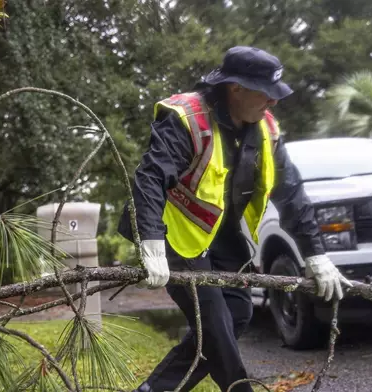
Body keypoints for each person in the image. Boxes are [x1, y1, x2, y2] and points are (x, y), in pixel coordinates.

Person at [117, 46, 353, 392]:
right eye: (265, 94)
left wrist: (315, 254)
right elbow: (151, 177)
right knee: (214, 323)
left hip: (219, 232)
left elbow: (292, 194)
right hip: (172, 231)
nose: (272, 103)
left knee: (238, 315)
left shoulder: (266, 130)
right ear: (235, 88)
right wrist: (150, 239)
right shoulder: (187, 118)